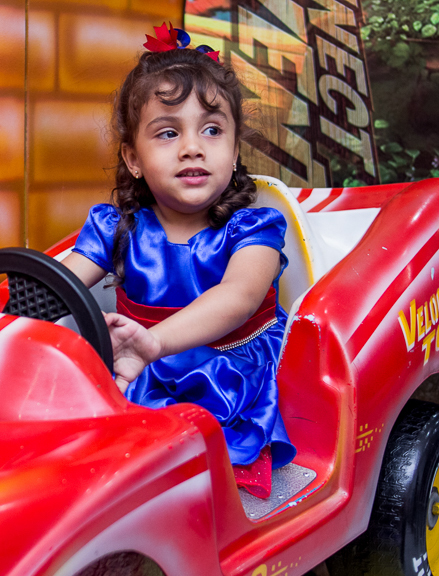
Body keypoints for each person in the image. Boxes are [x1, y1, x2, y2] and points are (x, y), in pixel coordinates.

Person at [60, 24, 296, 498]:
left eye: (212, 130)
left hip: (230, 375)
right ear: (133, 158)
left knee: (187, 481)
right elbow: (59, 283)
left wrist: (152, 342)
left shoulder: (254, 228)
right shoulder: (116, 226)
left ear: (233, 152)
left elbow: (239, 297)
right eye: (168, 133)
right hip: (137, 369)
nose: (193, 146)